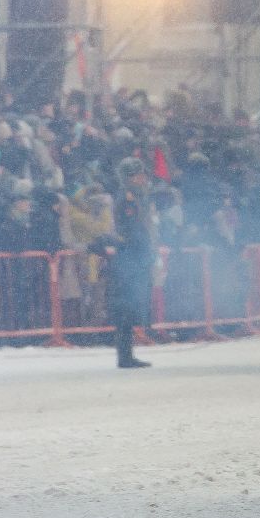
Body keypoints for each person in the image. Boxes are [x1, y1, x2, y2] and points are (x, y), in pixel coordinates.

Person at [98, 156, 157, 369]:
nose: (143, 177)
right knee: (126, 308)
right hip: (130, 258)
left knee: (130, 308)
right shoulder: (128, 197)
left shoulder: (136, 195)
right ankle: (124, 355)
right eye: (140, 173)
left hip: (134, 257)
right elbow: (131, 230)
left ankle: (127, 354)